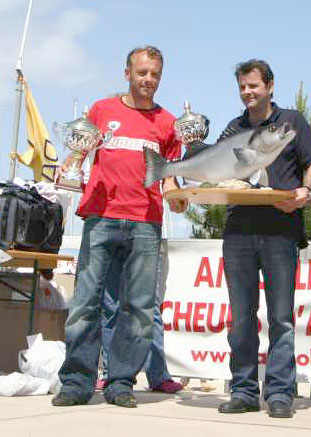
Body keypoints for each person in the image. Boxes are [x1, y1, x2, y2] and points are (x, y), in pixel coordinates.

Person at [52, 45, 187, 408]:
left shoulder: (169, 123)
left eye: (155, 74)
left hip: (146, 222)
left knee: (140, 308)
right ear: (127, 73)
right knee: (84, 303)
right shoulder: (101, 110)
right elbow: (78, 152)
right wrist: (68, 169)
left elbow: (169, 176)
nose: (148, 80)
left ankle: (121, 382)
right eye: (142, 72)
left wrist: (175, 195)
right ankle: (76, 383)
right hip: (101, 216)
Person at [217, 59, 311, 418]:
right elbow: (217, 170)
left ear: (270, 86)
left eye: (254, 86)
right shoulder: (233, 128)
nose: (248, 92)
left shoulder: (292, 121)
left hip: (281, 233)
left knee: (281, 318)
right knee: (241, 318)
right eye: (243, 87)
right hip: (238, 233)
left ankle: (279, 393)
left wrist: (306, 192)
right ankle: (244, 391)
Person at [99, 237, 182, 394]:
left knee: (149, 308)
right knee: (111, 307)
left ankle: (158, 375)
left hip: (145, 230)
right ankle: (110, 373)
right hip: (111, 229)